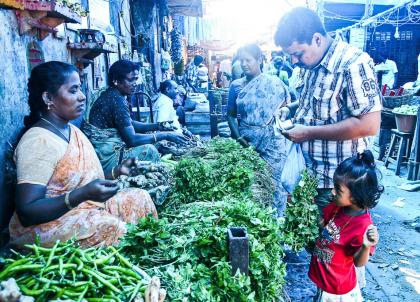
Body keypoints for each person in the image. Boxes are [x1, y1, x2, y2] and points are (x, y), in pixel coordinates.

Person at [10, 61, 157, 248]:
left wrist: (117, 172)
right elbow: (27, 212)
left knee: (140, 198)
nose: (82, 97)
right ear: (48, 98)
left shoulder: (72, 130)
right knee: (112, 227)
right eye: (73, 91)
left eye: (80, 89)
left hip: (82, 207)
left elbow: (79, 180)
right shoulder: (38, 141)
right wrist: (80, 195)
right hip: (47, 225)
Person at [274, 7, 382, 214]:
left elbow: (369, 125)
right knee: (316, 241)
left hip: (339, 184)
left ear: (317, 39)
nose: (294, 61)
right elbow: (318, 107)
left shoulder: (352, 63)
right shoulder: (312, 66)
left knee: (337, 242)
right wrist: (291, 109)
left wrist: (308, 132)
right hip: (310, 174)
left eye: (298, 54)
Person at [82, 60, 187, 171]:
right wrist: (165, 135)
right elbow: (132, 140)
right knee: (150, 150)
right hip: (104, 156)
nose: (135, 83)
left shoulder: (112, 94)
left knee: (157, 144)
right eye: (130, 80)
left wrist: (158, 126)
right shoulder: (116, 100)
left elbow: (129, 123)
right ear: (116, 80)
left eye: (136, 79)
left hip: (100, 149)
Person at [309, 150, 382, 301]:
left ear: (356, 196)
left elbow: (359, 262)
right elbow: (324, 225)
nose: (332, 191)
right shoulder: (337, 207)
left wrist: (365, 246)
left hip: (338, 290)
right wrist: (308, 209)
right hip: (324, 278)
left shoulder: (363, 226)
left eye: (338, 189)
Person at [227, 44, 290, 216]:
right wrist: (239, 139)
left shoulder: (275, 83)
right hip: (247, 144)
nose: (244, 64)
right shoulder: (236, 86)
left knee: (275, 186)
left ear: (260, 60)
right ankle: (256, 225)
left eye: (249, 60)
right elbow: (230, 115)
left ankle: (277, 225)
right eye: (242, 61)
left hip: (274, 146)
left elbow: (288, 107)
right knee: (251, 186)